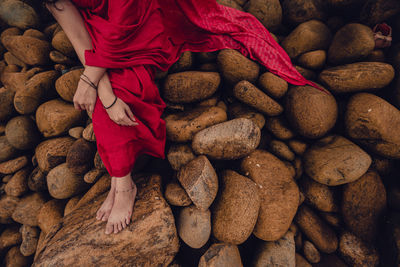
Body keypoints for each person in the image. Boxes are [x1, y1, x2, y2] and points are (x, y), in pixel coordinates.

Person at [45, 0, 319, 235]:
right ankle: (120, 182)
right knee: (113, 92)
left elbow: (120, 32)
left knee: (128, 86)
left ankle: (123, 182)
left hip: (140, 23)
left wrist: (93, 81)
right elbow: (79, 38)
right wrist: (100, 90)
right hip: (102, 31)